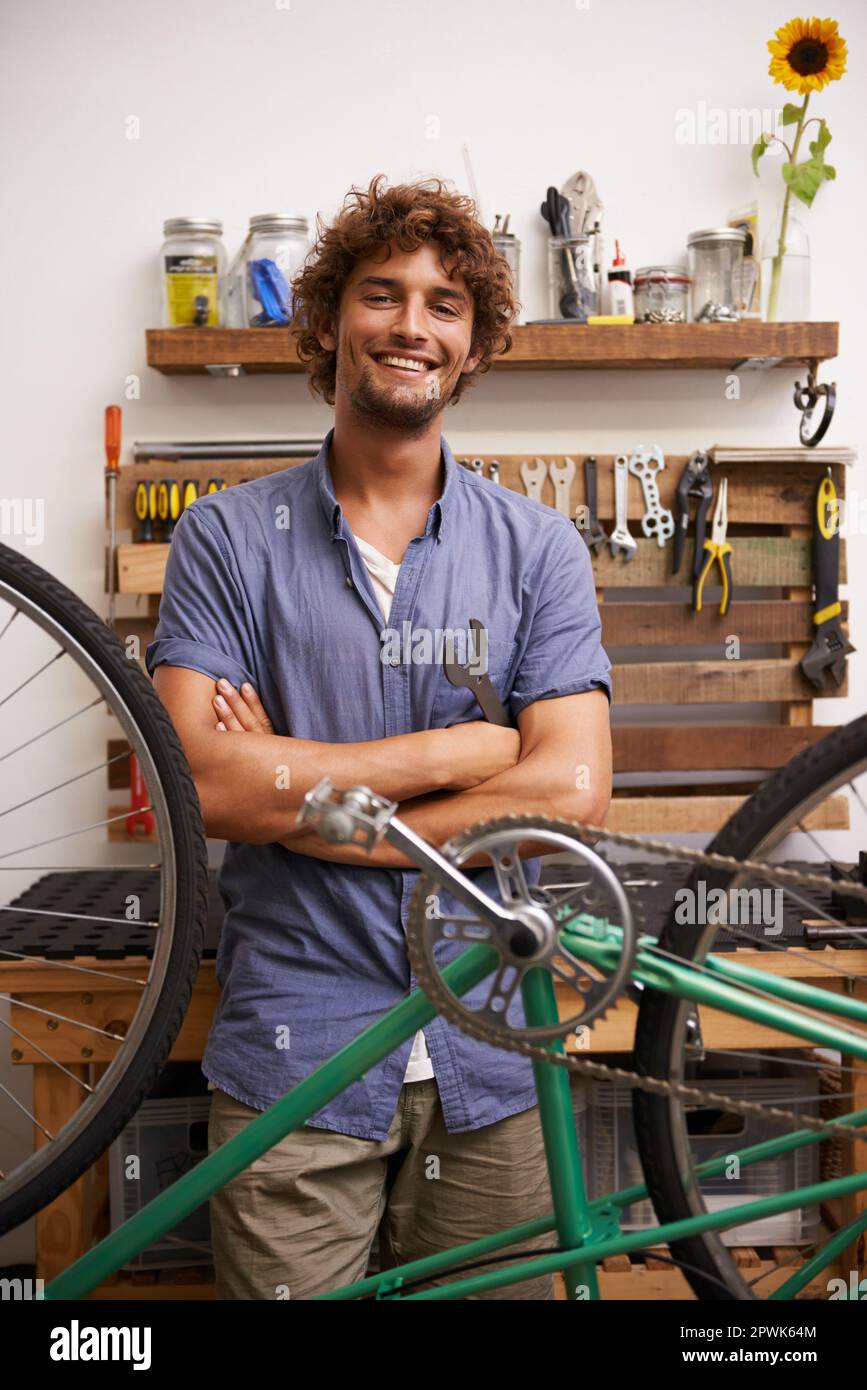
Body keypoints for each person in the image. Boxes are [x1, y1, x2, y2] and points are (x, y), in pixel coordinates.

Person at [146, 173, 613, 1300]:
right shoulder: (223, 540)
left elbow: (576, 787)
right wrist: (460, 755)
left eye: (445, 304)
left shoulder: (540, 549)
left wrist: (315, 801)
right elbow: (204, 785)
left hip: (494, 1042)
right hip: (294, 1046)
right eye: (382, 293)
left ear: (473, 346)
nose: (412, 324)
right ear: (326, 322)